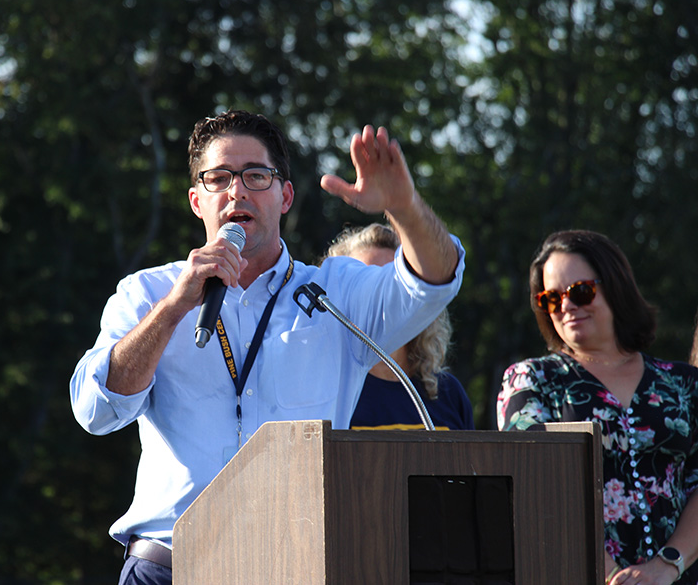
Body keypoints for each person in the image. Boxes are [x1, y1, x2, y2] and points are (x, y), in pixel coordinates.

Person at [70, 110, 466, 585]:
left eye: (256, 176)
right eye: (218, 178)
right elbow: (96, 410)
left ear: (285, 196)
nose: (237, 191)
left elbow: (438, 279)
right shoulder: (147, 294)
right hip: (168, 567)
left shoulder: (335, 296)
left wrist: (403, 206)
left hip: (295, 567)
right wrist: (175, 306)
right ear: (197, 201)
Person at [496, 230, 698, 585]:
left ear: (615, 287)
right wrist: (612, 576)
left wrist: (667, 566)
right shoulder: (533, 381)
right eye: (550, 299)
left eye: (580, 292)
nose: (566, 307)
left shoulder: (683, 383)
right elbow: (535, 484)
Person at [323, 223, 474, 430]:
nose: (379, 298)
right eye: (365, 285)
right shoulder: (326, 396)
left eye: (393, 286)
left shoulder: (447, 392)